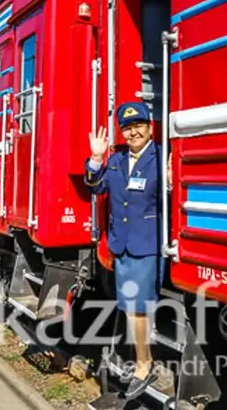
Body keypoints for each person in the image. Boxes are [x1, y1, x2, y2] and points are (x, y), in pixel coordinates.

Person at [84, 101, 171, 399]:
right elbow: (95, 187)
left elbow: (170, 197)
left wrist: (171, 184)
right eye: (128, 128)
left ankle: (145, 365)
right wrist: (96, 158)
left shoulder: (161, 157)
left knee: (138, 307)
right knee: (129, 305)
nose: (133, 132)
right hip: (121, 243)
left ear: (149, 128)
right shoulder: (117, 160)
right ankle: (139, 359)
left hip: (146, 243)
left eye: (138, 126)